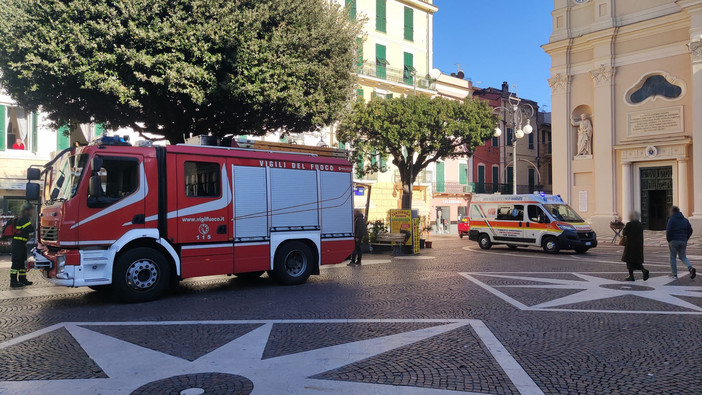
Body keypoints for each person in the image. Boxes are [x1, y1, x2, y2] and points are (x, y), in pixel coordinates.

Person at [666, 206, 696, 279]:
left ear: (672, 212)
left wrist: (669, 239)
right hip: (683, 241)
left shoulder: (671, 220)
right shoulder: (685, 220)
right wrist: (685, 238)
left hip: (673, 241)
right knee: (683, 257)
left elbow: (668, 230)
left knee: (673, 257)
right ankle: (690, 267)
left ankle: (674, 275)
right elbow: (690, 230)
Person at [10, 202, 35, 288]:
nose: (32, 212)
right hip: (18, 245)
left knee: (21, 262)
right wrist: (34, 222)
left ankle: (22, 279)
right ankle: (13, 281)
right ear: (26, 210)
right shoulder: (23, 219)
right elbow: (30, 229)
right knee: (16, 262)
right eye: (31, 210)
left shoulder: (23, 218)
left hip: (21, 244)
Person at [621, 212, 649, 282]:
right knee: (637, 261)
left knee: (629, 261)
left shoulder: (629, 224)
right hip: (638, 245)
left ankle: (631, 276)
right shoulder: (640, 225)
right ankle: (643, 270)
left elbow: (624, 233)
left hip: (630, 245)